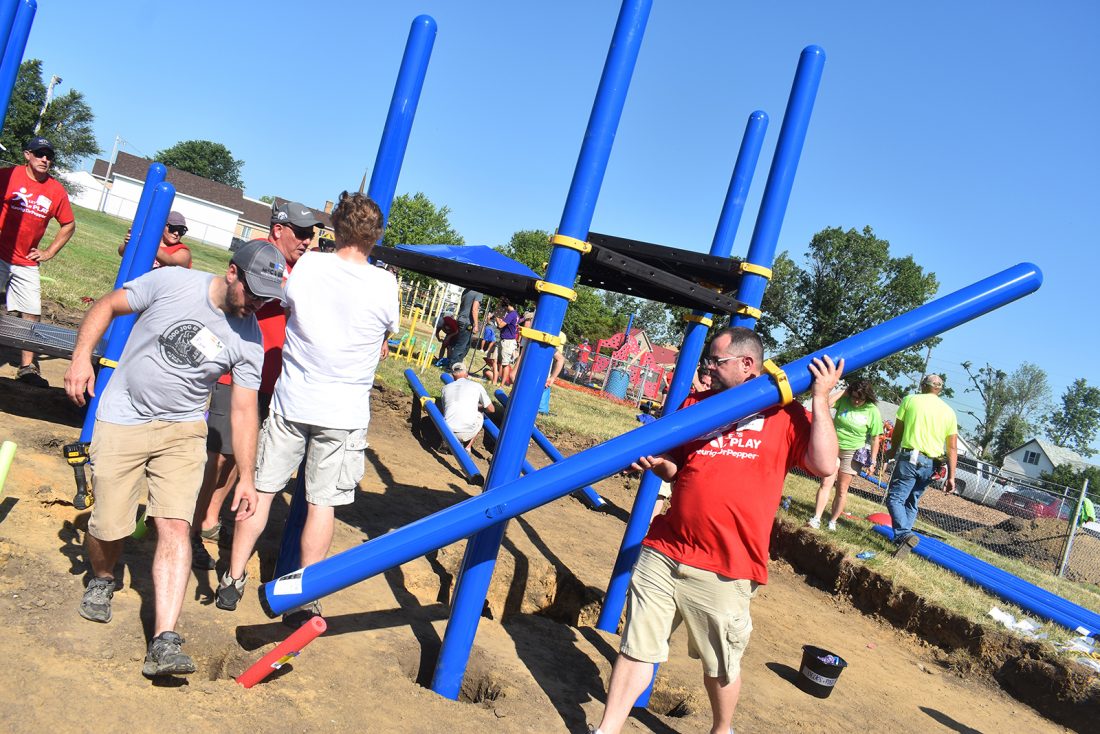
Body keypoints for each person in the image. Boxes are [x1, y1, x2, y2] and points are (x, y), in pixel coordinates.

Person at [592, 327, 842, 734]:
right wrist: (657, 463)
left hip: (727, 564)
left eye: (715, 360)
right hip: (666, 548)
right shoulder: (698, 404)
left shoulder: (783, 413)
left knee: (720, 666)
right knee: (636, 648)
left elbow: (825, 463)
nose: (707, 367)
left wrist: (820, 397)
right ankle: (607, 730)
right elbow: (676, 466)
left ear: (747, 365)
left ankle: (722, 728)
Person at [62, 239, 285, 677]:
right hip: (123, 416)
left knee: (175, 525)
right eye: (254, 292)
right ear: (232, 273)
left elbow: (244, 410)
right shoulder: (172, 282)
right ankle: (103, 578)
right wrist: (81, 358)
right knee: (109, 522)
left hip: (183, 430)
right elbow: (108, 304)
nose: (258, 304)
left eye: (267, 298)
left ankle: (165, 640)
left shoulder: (250, 339)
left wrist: (247, 476)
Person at [217, 192, 398, 628]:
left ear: (335, 229)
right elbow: (386, 335)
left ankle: (233, 577)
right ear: (376, 236)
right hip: (344, 412)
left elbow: (287, 303)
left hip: (293, 400)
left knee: (262, 490)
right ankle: (304, 596)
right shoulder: (384, 284)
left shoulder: (310, 267)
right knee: (321, 504)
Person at [191, 201, 321, 570]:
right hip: (236, 373)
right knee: (218, 455)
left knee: (239, 455)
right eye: (301, 233)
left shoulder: (297, 267)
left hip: (270, 377)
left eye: (311, 234)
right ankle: (192, 527)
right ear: (278, 229)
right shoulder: (262, 256)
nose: (307, 240)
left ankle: (211, 517)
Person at [0, 136, 76, 387]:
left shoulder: (55, 190)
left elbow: (68, 224)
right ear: (27, 155)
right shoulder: (8, 176)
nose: (45, 159)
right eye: (40, 153)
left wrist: (49, 252)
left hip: (26, 261)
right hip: (1, 253)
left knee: (31, 313)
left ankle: (26, 367)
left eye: (49, 156)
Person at [883, 373, 957, 559]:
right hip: (931, 464)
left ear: (923, 385)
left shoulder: (910, 400)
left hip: (911, 457)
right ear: (940, 390)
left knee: (895, 498)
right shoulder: (949, 412)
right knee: (912, 501)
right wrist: (951, 477)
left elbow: (898, 430)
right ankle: (902, 544)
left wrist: (892, 451)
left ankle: (903, 535)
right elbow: (952, 447)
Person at [808, 378, 883, 531]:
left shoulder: (872, 410)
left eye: (860, 399)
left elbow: (875, 438)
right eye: (854, 397)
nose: (856, 401)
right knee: (826, 482)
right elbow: (825, 403)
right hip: (833, 446)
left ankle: (832, 521)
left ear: (867, 397)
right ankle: (816, 518)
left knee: (842, 489)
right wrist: (844, 392)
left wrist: (873, 461)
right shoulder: (844, 400)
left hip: (853, 452)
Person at [440, 362, 494, 450]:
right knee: (480, 414)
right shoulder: (477, 386)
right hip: (465, 433)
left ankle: (446, 442)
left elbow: (445, 408)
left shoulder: (445, 388)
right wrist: (478, 408)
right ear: (466, 374)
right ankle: (467, 448)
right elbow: (491, 409)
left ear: (452, 375)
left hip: (446, 431)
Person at [118, 211, 192, 269]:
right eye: (173, 228)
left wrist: (146, 242)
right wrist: (128, 244)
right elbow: (121, 253)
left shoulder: (183, 251)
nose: (176, 233)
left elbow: (171, 262)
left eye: (181, 231)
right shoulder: (150, 241)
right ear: (162, 225)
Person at [449, 286, 482, 366]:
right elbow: (474, 309)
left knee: (464, 345)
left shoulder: (466, 291)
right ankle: (452, 366)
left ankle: (457, 364)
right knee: (461, 346)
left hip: (461, 319)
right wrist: (476, 325)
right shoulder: (479, 293)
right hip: (467, 322)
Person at [493, 299, 519, 386]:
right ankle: (496, 381)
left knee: (505, 364)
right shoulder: (515, 314)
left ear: (507, 305)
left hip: (508, 342)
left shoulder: (512, 314)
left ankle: (502, 385)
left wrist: (497, 317)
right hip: (504, 340)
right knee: (496, 360)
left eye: (503, 307)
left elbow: (500, 325)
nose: (503, 309)